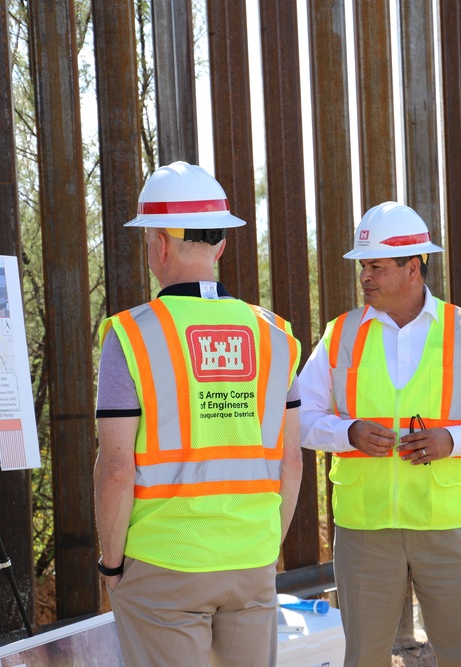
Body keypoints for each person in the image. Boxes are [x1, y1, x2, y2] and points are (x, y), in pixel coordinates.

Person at [93, 162, 303, 667]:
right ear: (222, 244)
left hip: (166, 562)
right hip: (251, 560)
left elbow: (117, 470)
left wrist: (112, 566)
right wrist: (265, 550)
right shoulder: (275, 335)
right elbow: (291, 463)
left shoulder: (131, 335)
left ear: (160, 245)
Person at [297, 201, 461, 667]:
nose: (366, 277)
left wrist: (452, 440)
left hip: (451, 526)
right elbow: (298, 416)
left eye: (376, 267)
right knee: (363, 659)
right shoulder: (340, 334)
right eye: (364, 266)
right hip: (365, 529)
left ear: (413, 266)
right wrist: (349, 432)